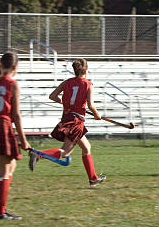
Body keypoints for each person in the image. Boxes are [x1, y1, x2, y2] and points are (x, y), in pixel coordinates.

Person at [29, 58, 106, 186]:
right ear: (86, 71)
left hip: (67, 117)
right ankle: (38, 155)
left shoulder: (67, 82)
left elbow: (52, 96)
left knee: (86, 147)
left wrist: (65, 103)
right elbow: (91, 105)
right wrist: (97, 115)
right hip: (76, 121)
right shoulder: (88, 84)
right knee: (65, 152)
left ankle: (93, 178)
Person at [0, 52, 30, 220]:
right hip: (2, 124)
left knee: (11, 165)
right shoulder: (12, 84)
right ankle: (0, 212)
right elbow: (16, 115)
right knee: (4, 169)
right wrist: (24, 140)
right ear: (15, 67)